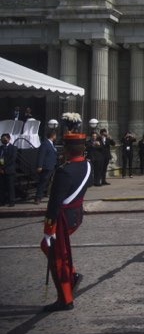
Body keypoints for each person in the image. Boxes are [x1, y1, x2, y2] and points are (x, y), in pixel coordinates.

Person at [40, 131, 91, 312]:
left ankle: (65, 299)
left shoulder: (64, 171)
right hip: (76, 215)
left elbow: (54, 203)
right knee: (57, 252)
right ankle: (73, 275)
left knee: (57, 257)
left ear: (67, 151)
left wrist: (48, 229)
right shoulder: (87, 166)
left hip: (62, 219)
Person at [35, 129, 58, 204]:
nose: (56, 137)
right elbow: (41, 155)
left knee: (49, 182)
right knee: (42, 182)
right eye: (55, 135)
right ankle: (38, 197)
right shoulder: (45, 144)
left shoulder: (52, 144)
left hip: (52, 166)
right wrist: (39, 166)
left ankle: (46, 194)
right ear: (53, 135)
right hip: (46, 166)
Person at [0, 133, 18, 206]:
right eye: (2, 139)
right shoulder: (0, 148)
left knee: (10, 187)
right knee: (1, 187)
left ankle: (11, 201)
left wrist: (3, 167)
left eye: (4, 139)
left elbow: (12, 159)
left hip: (9, 170)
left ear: (9, 139)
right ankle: (2, 201)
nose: (3, 140)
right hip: (1, 170)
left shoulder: (13, 148)